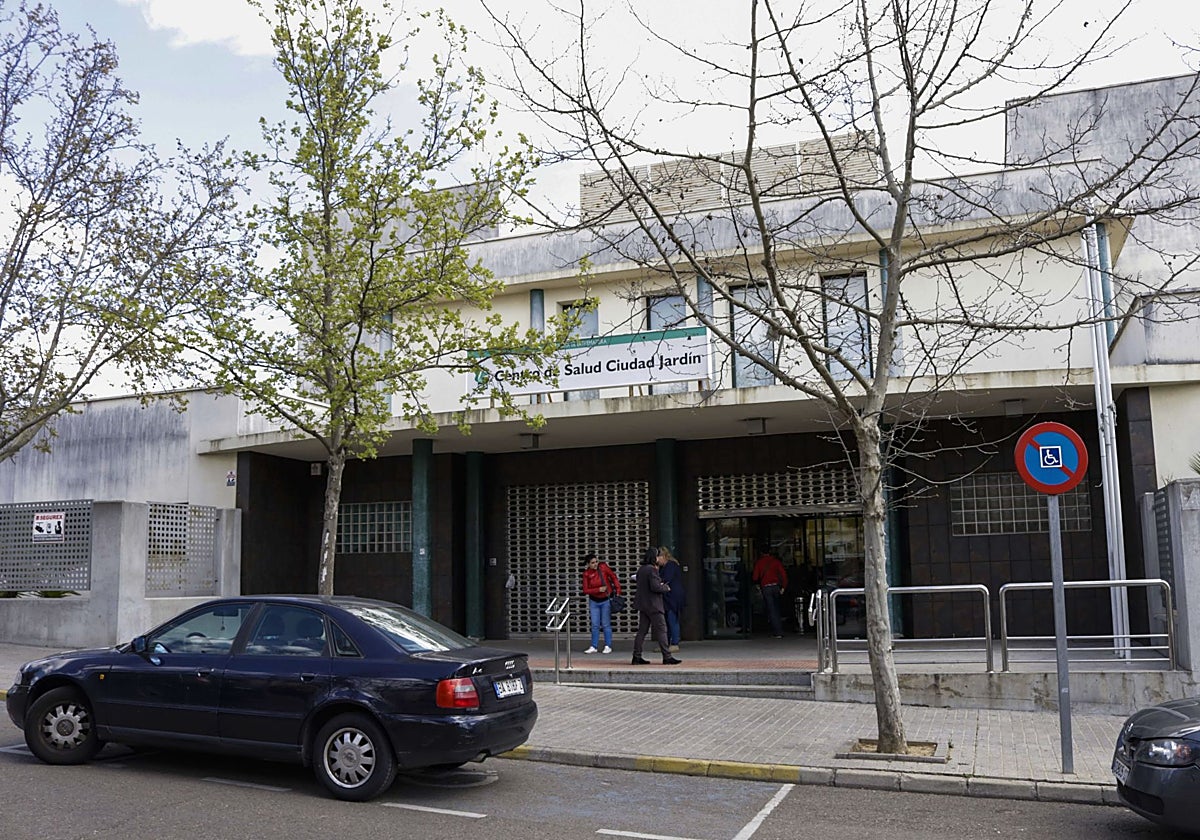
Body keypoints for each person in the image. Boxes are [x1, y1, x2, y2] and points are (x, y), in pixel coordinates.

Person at [632, 546, 682, 665]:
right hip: (654, 605)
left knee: (642, 631)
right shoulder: (652, 570)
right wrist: (665, 588)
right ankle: (667, 656)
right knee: (662, 630)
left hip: (643, 605)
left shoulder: (641, 569)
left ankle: (636, 655)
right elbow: (655, 587)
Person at [581, 552, 621, 654]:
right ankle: (594, 646)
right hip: (594, 600)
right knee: (595, 624)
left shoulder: (603, 567)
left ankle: (608, 645)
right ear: (588, 564)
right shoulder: (586, 574)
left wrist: (618, 591)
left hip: (606, 599)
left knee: (606, 624)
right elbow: (585, 590)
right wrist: (598, 589)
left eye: (596, 562)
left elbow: (613, 577)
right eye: (593, 563)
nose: (595, 564)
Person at [752, 548, 788, 638]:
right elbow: (783, 575)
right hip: (776, 586)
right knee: (777, 608)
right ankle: (779, 629)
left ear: (761, 553)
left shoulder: (759, 563)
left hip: (766, 587)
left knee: (771, 609)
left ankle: (777, 631)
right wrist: (783, 587)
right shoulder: (776, 562)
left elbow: (755, 577)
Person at [658, 546, 685, 651]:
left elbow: (665, 579)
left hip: (673, 597)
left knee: (672, 619)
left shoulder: (670, 565)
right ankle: (667, 643)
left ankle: (674, 642)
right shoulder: (665, 567)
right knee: (667, 621)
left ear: (662, 556)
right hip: (668, 597)